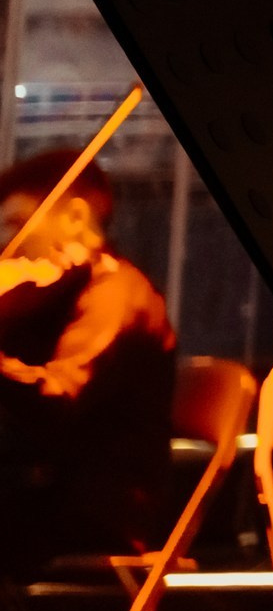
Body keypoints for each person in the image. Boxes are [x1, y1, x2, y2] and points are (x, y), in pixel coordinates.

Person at [0, 148, 177, 577]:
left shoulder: (117, 295)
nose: (8, 247)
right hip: (39, 489)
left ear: (75, 218)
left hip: (92, 509)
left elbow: (57, 398)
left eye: (20, 225)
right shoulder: (56, 295)